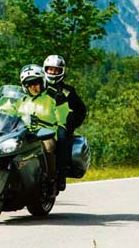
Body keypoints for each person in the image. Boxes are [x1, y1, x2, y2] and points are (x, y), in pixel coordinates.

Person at [17, 64, 69, 194]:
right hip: (23, 133)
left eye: (36, 83)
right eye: (29, 84)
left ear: (42, 82)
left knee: (48, 148)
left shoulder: (53, 96)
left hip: (45, 133)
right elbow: (5, 108)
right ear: (25, 86)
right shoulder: (21, 99)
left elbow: (63, 117)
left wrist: (62, 127)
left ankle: (51, 181)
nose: (34, 87)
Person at [43, 55, 87, 190]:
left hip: (58, 124)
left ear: (62, 71)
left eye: (56, 70)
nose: (52, 73)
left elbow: (81, 110)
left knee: (61, 139)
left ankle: (60, 175)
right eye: (50, 69)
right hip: (39, 121)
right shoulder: (38, 86)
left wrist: (70, 124)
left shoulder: (68, 91)